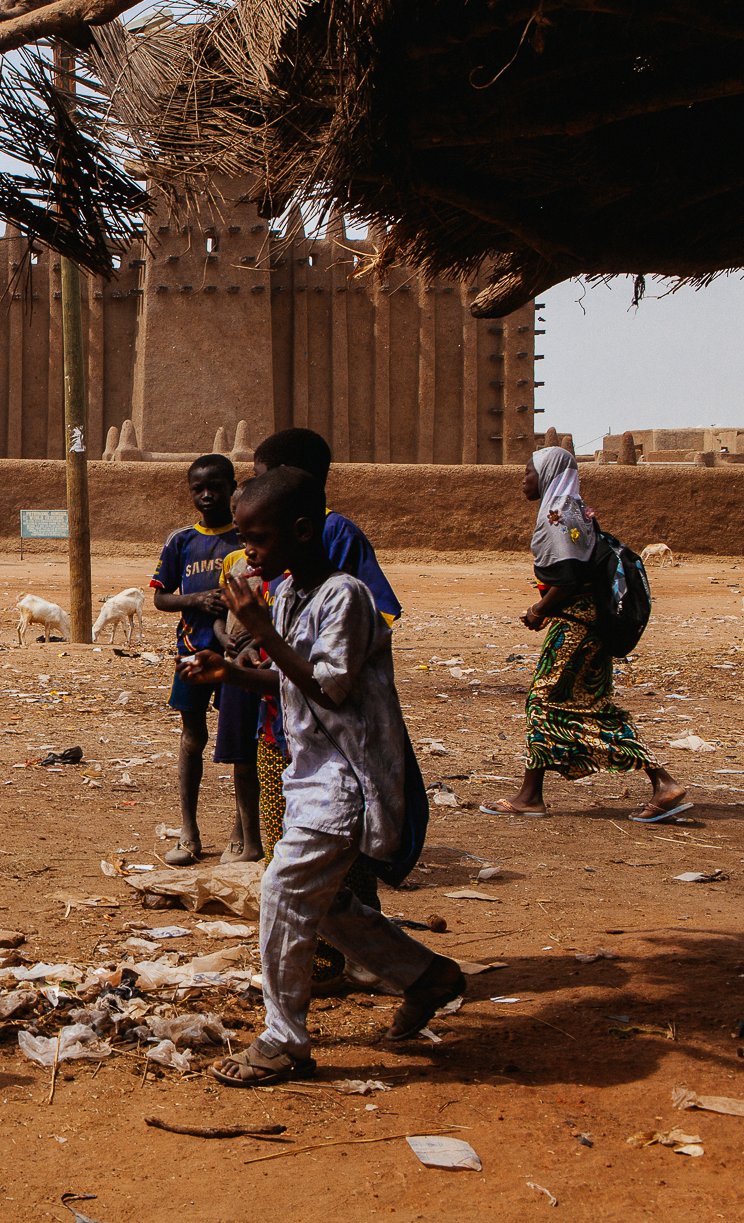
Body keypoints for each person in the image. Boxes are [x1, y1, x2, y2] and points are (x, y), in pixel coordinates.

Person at [183, 467, 462, 1085]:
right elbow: (290, 680)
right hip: (311, 775)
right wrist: (231, 673)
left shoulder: (345, 597)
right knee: (330, 908)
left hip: (348, 778)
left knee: (283, 893)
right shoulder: (288, 597)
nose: (246, 549)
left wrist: (259, 632)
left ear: (302, 531)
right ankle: (428, 976)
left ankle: (284, 1040)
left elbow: (329, 687)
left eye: (256, 537)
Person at [246, 427, 404, 989]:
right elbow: (281, 653)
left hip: (340, 747)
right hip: (288, 730)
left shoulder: (339, 559)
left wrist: (280, 637)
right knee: (292, 863)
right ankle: (399, 970)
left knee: (316, 874)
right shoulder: (282, 584)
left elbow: (339, 667)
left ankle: (299, 1005)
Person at [481, 446, 689, 821]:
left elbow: (568, 577)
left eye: (528, 471)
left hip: (577, 626)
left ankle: (660, 780)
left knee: (543, 700)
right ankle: (533, 795)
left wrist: (539, 610)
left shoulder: (558, 515)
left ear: (545, 475)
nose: (523, 479)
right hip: (589, 622)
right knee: (584, 702)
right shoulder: (574, 510)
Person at [149, 454, 259, 865]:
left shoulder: (244, 539)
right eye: (199, 489)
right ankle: (189, 832)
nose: (208, 495)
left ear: (233, 487)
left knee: (242, 744)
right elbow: (161, 597)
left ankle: (240, 834)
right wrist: (196, 600)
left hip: (237, 656)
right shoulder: (181, 541)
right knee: (192, 738)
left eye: (216, 487)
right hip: (191, 653)